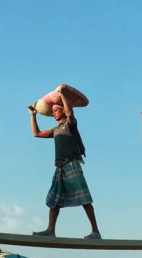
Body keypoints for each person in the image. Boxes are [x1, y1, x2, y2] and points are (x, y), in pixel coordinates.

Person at [29, 85, 101, 239]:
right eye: (53, 110)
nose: (54, 112)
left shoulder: (70, 124)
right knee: (54, 200)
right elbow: (36, 133)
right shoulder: (56, 130)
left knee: (85, 199)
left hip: (72, 164)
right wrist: (33, 115)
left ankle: (96, 231)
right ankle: (50, 231)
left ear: (62, 109)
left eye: (56, 110)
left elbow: (70, 113)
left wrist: (62, 95)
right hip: (60, 167)